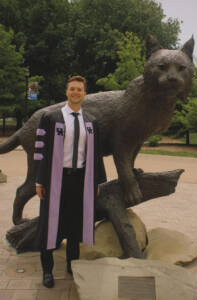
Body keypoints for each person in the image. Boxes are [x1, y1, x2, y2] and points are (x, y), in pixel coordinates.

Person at [34, 75, 107, 288]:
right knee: (49, 224)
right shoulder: (50, 118)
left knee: (75, 224)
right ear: (66, 92)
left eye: (80, 90)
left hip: (80, 180)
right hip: (55, 179)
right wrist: (39, 181)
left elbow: (96, 155)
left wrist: (96, 182)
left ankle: (72, 264)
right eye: (72, 89)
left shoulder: (91, 122)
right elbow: (40, 153)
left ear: (85, 94)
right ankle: (47, 271)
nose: (76, 92)